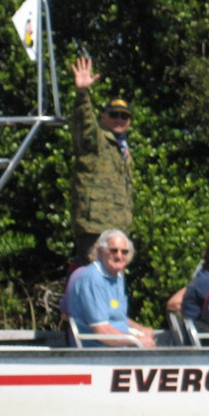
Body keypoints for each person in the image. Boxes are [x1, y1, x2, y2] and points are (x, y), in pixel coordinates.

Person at [70, 57, 133, 264]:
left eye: (124, 116)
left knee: (112, 285)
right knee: (94, 280)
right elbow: (85, 122)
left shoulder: (122, 150)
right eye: (114, 114)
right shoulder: (97, 140)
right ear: (104, 118)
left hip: (118, 231)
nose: (119, 119)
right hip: (95, 228)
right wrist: (82, 94)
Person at [67, 229, 156, 347]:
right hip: (101, 354)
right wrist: (137, 340)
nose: (119, 256)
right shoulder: (93, 279)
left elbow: (118, 317)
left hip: (120, 347)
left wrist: (141, 330)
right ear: (100, 252)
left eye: (124, 252)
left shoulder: (117, 276)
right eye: (113, 250)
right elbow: (102, 331)